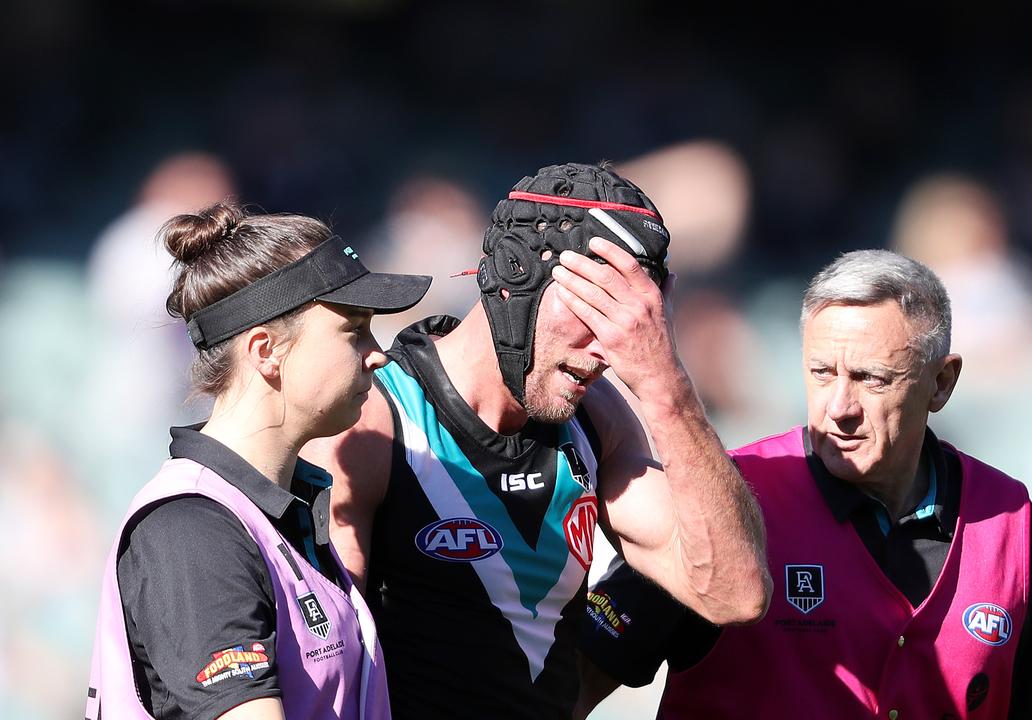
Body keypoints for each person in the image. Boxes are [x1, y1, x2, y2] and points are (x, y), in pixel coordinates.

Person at [301, 162, 770, 719]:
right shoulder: (375, 421)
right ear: (513, 280)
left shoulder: (594, 418)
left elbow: (733, 592)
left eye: (629, 327)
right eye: (592, 316)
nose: (607, 352)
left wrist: (666, 383)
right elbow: (326, 677)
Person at [578, 249, 1032, 719]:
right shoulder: (723, 500)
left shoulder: (1007, 517)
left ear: (941, 382)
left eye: (871, 378)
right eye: (822, 373)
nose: (839, 409)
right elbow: (574, 684)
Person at [86, 202, 432, 720]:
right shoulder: (193, 530)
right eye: (354, 330)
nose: (376, 353)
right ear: (267, 350)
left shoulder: (275, 510)